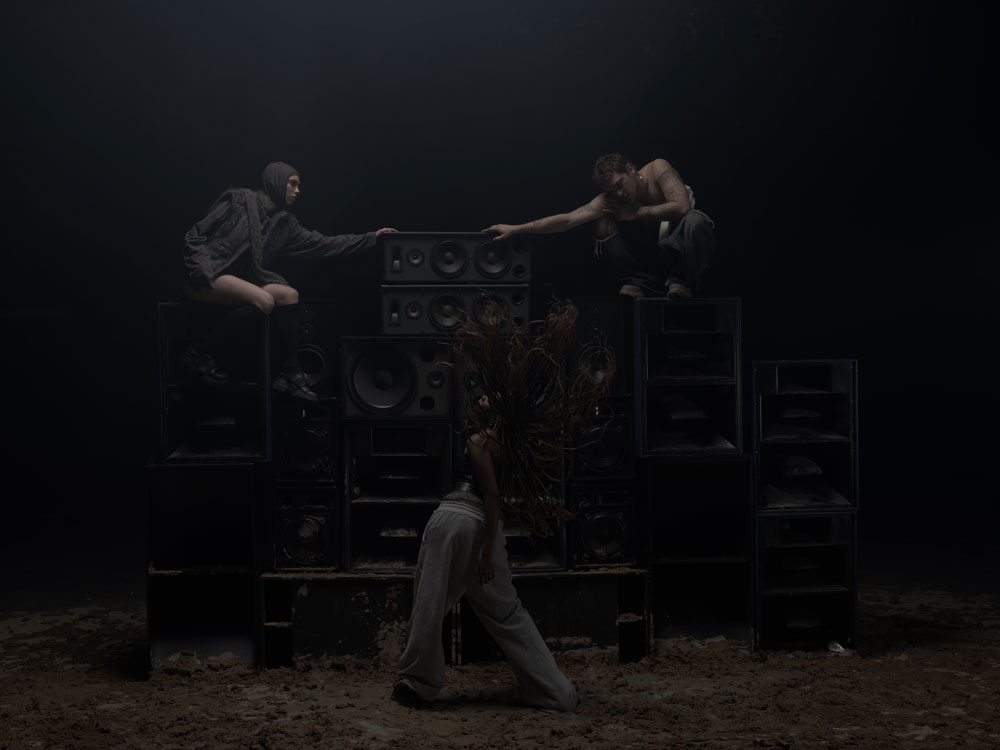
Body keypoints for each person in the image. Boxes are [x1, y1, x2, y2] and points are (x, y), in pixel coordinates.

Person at [392, 299, 611, 712]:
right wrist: (489, 548)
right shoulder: (513, 447)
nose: (480, 399)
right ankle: (557, 693)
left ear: (502, 408)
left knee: (429, 604)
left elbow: (491, 496)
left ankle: (417, 684)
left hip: (456, 519)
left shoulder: (479, 442)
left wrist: (486, 552)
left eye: (487, 398)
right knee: (507, 614)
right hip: (481, 529)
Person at [181, 161, 396, 402]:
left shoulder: (286, 225)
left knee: (288, 295)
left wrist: (372, 238)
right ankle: (199, 352)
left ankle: (290, 374)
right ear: (276, 181)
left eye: (298, 186)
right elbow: (195, 235)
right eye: (292, 184)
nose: (297, 190)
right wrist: (201, 268)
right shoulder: (238, 200)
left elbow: (325, 244)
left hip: (243, 282)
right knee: (264, 299)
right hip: (206, 278)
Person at [485, 153, 716, 299]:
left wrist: (636, 213)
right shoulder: (612, 200)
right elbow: (567, 220)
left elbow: (682, 206)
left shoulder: (657, 168)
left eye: (620, 185)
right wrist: (516, 228)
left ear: (630, 169)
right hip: (650, 259)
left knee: (695, 220)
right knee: (602, 220)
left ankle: (680, 281)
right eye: (612, 191)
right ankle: (639, 282)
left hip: (684, 256)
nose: (619, 194)